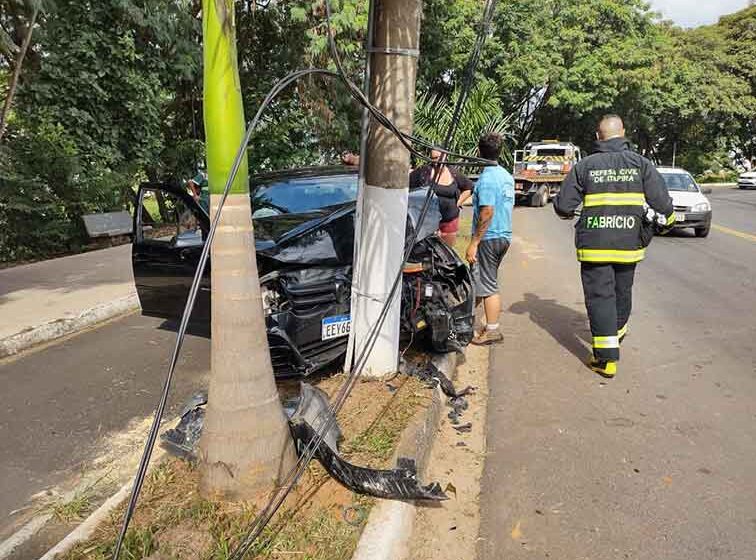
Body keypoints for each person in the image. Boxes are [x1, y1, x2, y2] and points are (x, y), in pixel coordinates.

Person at [554, 114, 675, 378]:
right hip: (629, 243)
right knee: (622, 292)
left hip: (595, 245)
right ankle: (616, 332)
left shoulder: (584, 166)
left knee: (600, 298)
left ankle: (606, 359)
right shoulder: (641, 164)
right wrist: (666, 220)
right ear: (624, 133)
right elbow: (665, 207)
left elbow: (564, 206)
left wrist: (569, 212)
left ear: (598, 137)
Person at [465, 133, 515, 346]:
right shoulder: (505, 175)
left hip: (489, 237)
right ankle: (466, 320)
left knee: (487, 285)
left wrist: (474, 242)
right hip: (503, 236)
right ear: (500, 152)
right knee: (481, 279)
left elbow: (487, 211)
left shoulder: (486, 179)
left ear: (479, 152)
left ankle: (492, 330)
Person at [410, 149, 474, 246]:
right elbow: (406, 185)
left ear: (445, 156)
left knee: (446, 255)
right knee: (427, 256)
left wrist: (458, 203)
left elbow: (469, 187)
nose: (436, 161)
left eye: (438, 157)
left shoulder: (453, 173)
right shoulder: (423, 172)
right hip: (428, 223)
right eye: (433, 158)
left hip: (449, 221)